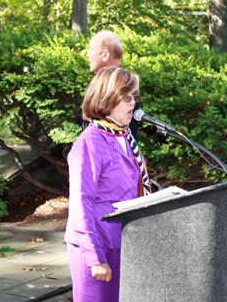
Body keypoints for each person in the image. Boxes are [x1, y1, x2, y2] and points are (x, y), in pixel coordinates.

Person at [65, 66, 151, 302]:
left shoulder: (124, 137)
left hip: (122, 241)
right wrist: (96, 259)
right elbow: (80, 206)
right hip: (95, 247)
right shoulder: (89, 143)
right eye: (126, 97)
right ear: (107, 98)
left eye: (134, 96)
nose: (132, 102)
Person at [84, 30, 139, 141]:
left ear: (105, 55)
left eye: (91, 49)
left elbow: (108, 124)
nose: (87, 54)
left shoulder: (121, 85)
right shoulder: (106, 81)